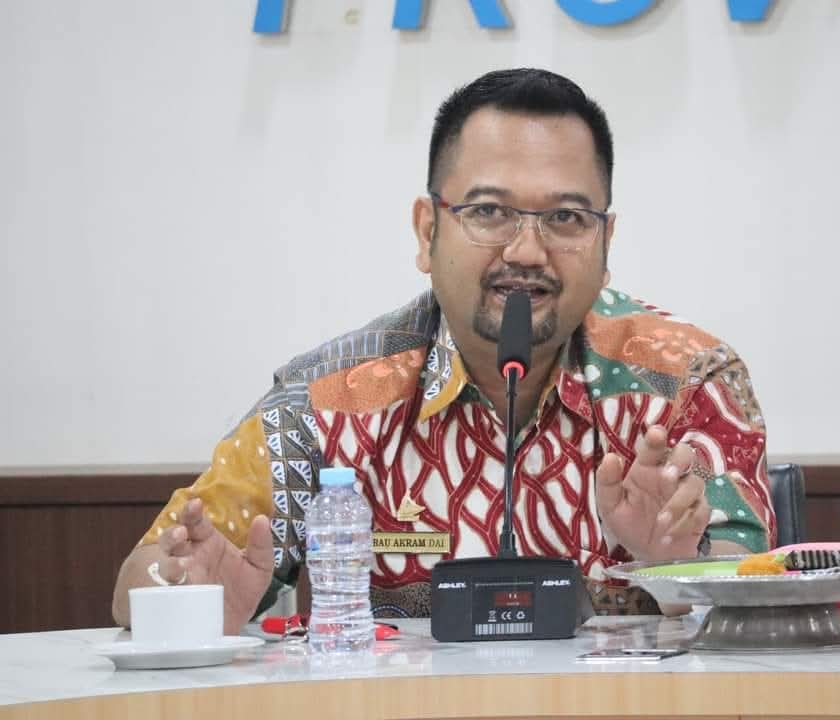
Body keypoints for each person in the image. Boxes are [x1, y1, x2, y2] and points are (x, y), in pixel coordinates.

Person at [112, 68, 775, 633]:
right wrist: (185, 600)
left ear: (605, 245)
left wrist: (675, 567)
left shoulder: (687, 383)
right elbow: (142, 584)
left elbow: (758, 600)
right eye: (489, 211)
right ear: (427, 230)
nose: (526, 251)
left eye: (566, 219)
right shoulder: (327, 403)